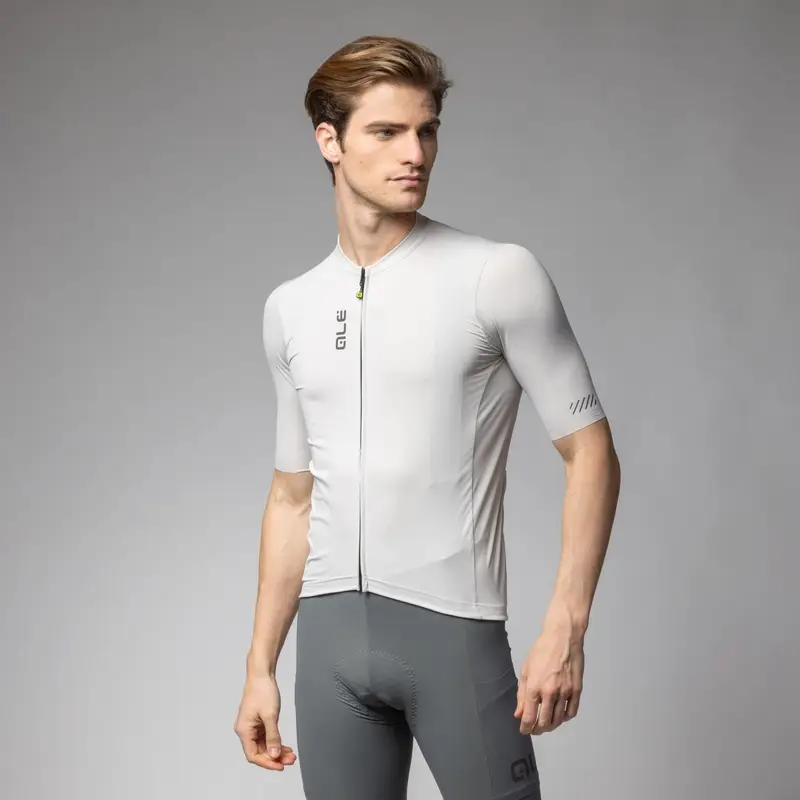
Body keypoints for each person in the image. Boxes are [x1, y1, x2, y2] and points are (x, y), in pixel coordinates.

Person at [234, 34, 622, 800]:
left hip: (453, 635)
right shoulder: (291, 308)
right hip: (329, 653)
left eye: (427, 130)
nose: (415, 153)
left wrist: (566, 627)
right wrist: (259, 667)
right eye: (386, 131)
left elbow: (592, 453)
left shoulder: (495, 276)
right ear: (329, 141)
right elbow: (292, 496)